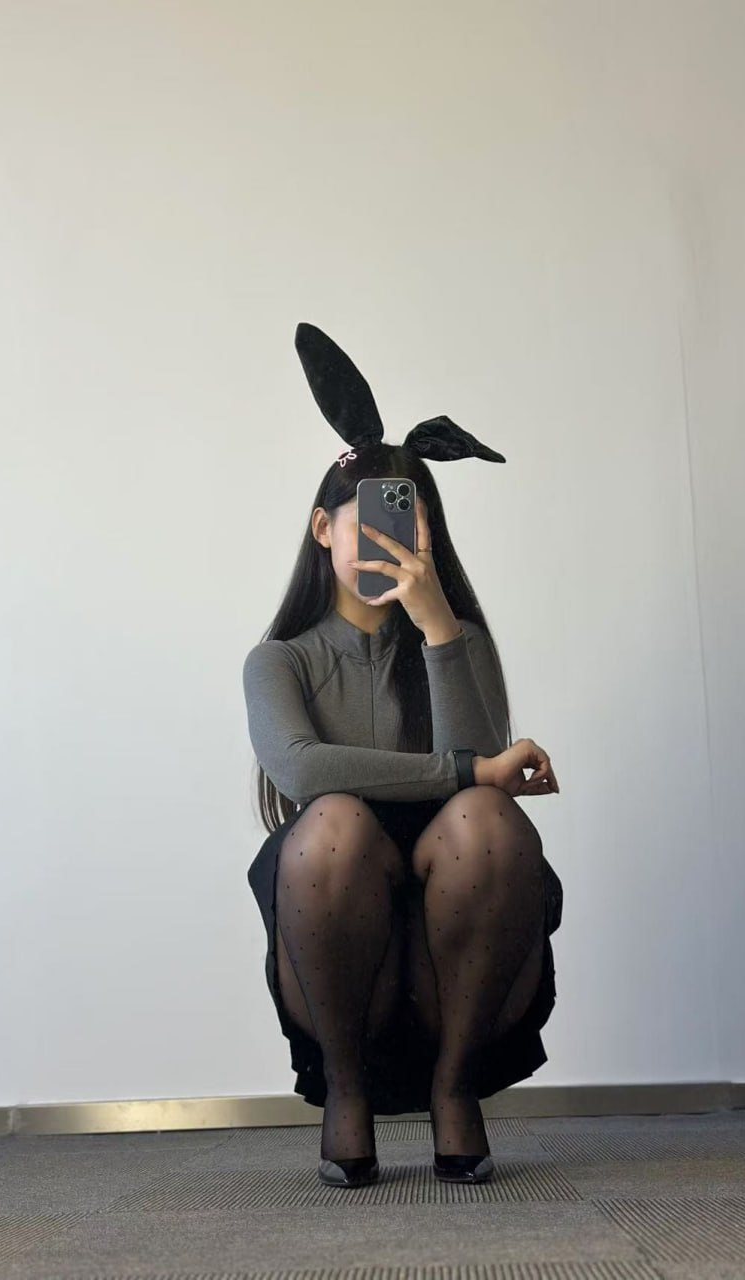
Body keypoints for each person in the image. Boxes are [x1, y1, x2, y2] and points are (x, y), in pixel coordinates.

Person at [243, 323, 564, 1189]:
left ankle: (454, 1089)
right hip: (336, 909)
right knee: (334, 822)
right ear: (323, 528)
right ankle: (345, 1091)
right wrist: (467, 773)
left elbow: (479, 770)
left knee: (484, 818)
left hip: (458, 915)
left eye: (410, 521)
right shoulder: (278, 662)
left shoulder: (458, 640)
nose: (393, 540)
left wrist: (435, 629)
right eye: (373, 522)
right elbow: (302, 771)